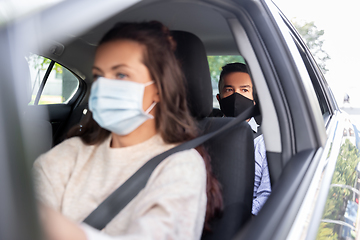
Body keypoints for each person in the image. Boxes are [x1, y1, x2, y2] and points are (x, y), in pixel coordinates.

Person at [33, 21, 222, 240]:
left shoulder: (180, 164)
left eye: (121, 75)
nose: (104, 86)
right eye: (99, 76)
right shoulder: (73, 151)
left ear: (159, 89)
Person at [216, 62, 271, 215]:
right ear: (219, 98)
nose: (236, 96)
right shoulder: (202, 134)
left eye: (244, 90)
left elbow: (266, 197)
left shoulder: (263, 142)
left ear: (254, 99)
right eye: (229, 90)